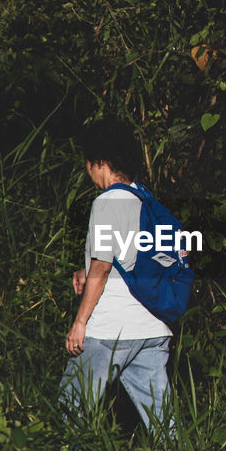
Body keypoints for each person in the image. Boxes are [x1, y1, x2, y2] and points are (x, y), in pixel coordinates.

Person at [59, 121, 172, 431]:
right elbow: (150, 258)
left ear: (100, 163)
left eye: (89, 165)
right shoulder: (146, 201)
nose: (88, 173)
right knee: (163, 424)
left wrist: (80, 323)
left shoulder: (107, 202)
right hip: (152, 329)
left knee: (71, 411)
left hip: (110, 331)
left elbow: (103, 267)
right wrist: (88, 266)